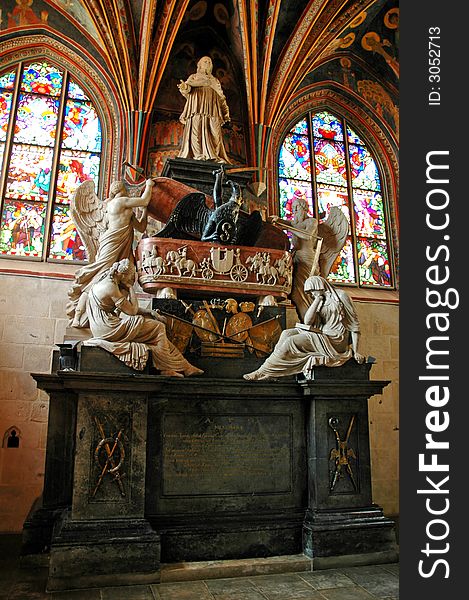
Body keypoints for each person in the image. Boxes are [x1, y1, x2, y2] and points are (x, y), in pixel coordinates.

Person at [84, 258, 204, 376]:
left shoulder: (103, 281)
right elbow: (132, 311)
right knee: (158, 328)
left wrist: (150, 312)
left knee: (156, 336)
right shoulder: (111, 287)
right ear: (123, 275)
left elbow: (126, 309)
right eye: (131, 278)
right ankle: (167, 368)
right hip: (108, 328)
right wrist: (131, 288)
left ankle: (183, 366)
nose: (131, 280)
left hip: (102, 327)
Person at [68, 178, 154, 327]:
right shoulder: (119, 202)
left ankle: (113, 315)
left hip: (123, 245)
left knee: (124, 280)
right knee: (97, 278)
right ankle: (77, 317)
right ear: (122, 190)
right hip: (112, 243)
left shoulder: (125, 209)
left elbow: (140, 227)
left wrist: (145, 211)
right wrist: (149, 185)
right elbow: (145, 200)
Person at [243, 275, 364, 381]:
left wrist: (356, 350)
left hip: (335, 340)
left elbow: (354, 325)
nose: (311, 295)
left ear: (318, 286)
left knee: (291, 342)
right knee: (286, 333)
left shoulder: (341, 296)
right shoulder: (319, 300)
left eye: (312, 292)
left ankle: (264, 372)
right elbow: (308, 321)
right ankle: (272, 370)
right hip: (322, 334)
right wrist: (317, 300)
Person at [270, 193, 319, 320]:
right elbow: (284, 223)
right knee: (295, 292)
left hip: (307, 258)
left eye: (297, 207)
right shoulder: (295, 223)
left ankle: (311, 321)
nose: (294, 210)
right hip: (295, 257)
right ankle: (306, 320)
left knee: (305, 290)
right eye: (293, 208)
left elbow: (307, 236)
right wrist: (276, 220)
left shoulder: (312, 221)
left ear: (304, 208)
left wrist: (288, 228)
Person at [177, 56, 231, 163]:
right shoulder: (194, 77)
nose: (207, 63)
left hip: (213, 108)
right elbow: (187, 88)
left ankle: (214, 156)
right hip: (196, 106)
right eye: (205, 61)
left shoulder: (214, 80)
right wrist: (184, 87)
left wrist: (225, 112)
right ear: (200, 64)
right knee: (196, 129)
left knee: (215, 132)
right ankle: (198, 154)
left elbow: (221, 96)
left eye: (209, 62)